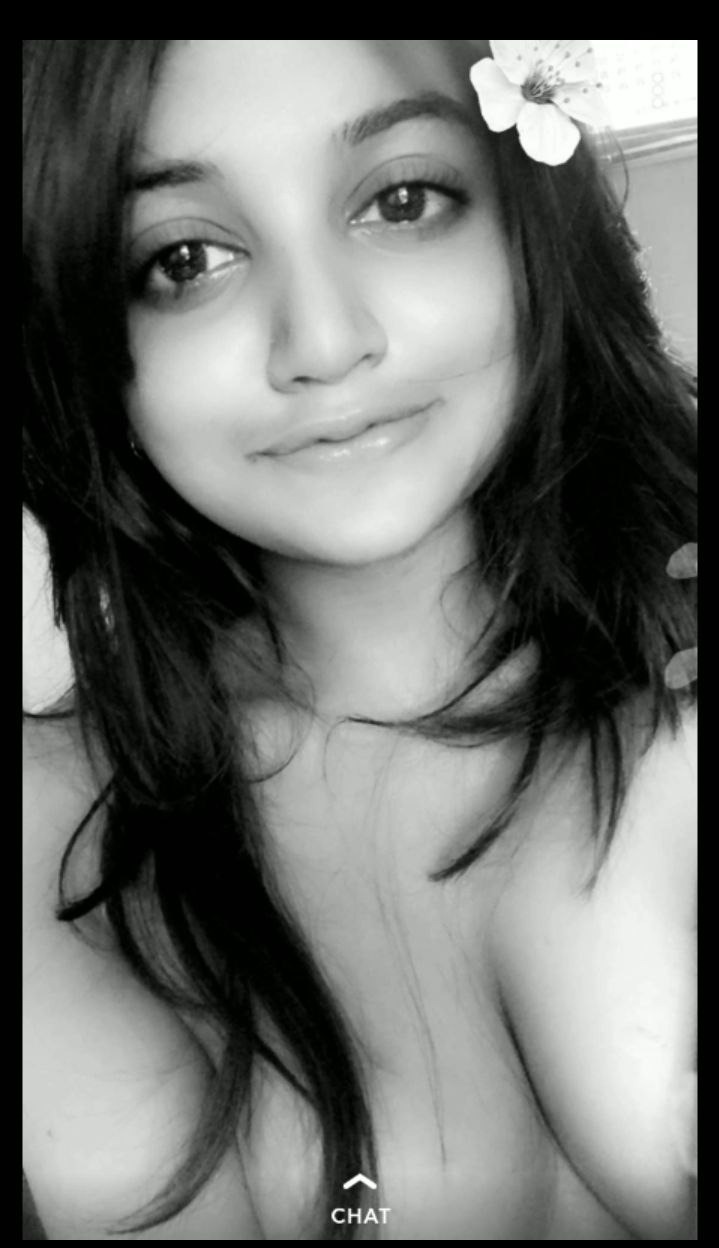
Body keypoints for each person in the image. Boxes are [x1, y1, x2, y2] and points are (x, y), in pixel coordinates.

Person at [23, 40, 697, 1240]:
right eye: (183, 260)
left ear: (526, 226)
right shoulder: (66, 837)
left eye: (400, 201)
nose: (324, 341)